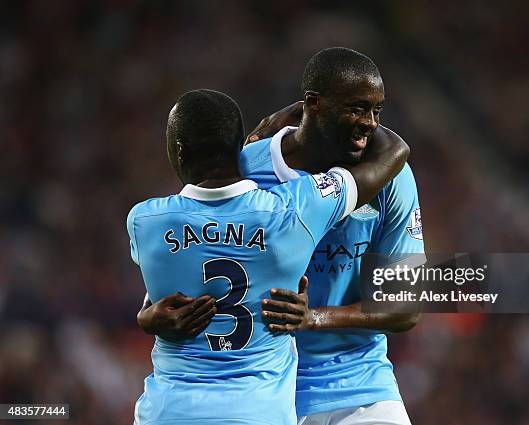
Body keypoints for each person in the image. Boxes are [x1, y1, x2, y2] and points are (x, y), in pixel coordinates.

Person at [137, 47, 423, 424]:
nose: (370, 123)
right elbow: (189, 261)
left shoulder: (392, 177)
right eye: (356, 108)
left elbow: (405, 305)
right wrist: (146, 313)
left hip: (361, 386)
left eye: (377, 111)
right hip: (270, 395)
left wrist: (315, 318)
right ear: (314, 104)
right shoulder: (246, 168)